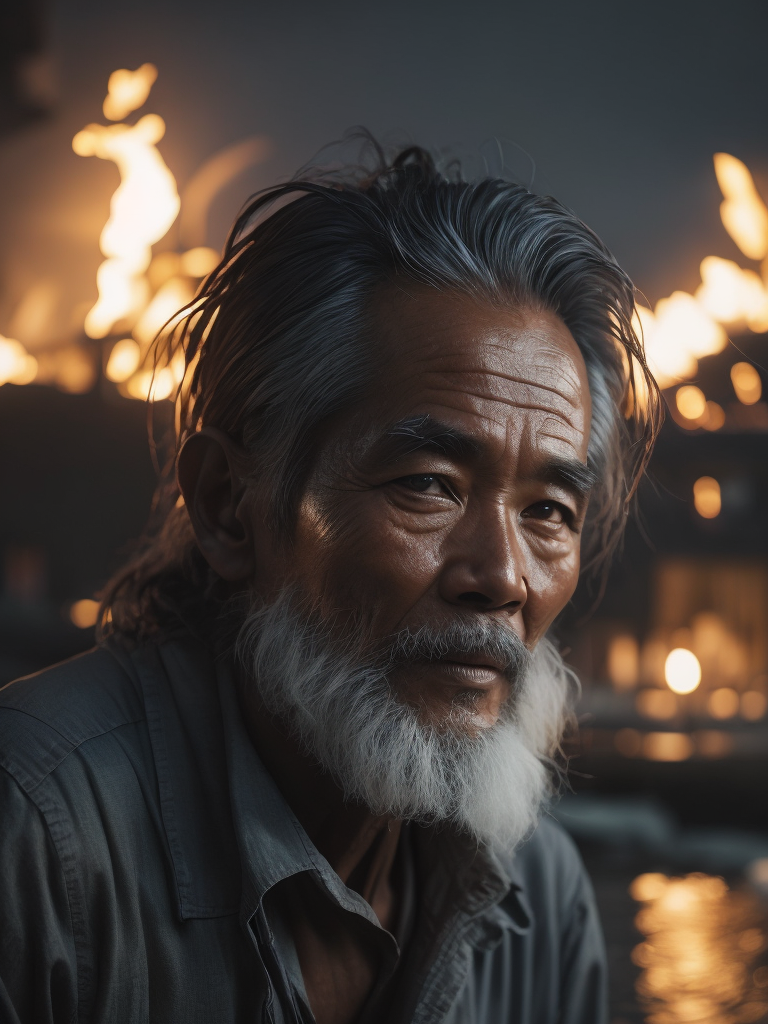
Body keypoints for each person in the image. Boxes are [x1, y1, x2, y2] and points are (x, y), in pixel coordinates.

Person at [0, 139, 659, 1024]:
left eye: (549, 511)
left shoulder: (542, 899)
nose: (503, 577)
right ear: (232, 507)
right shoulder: (33, 836)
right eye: (428, 485)